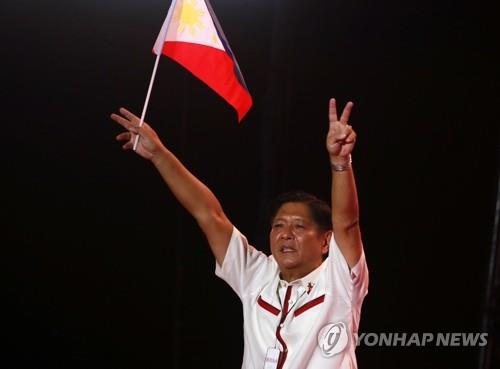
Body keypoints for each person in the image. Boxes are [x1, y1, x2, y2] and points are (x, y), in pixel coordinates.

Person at [110, 98, 368, 369]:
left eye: (299, 226)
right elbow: (209, 214)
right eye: (278, 226)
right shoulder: (257, 275)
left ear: (326, 240)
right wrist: (159, 155)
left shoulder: (340, 281)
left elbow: (347, 224)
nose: (285, 234)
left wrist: (340, 162)